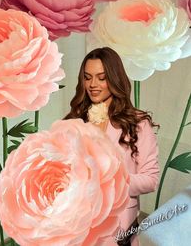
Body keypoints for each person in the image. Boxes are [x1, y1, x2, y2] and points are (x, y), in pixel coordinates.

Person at [64, 47, 160, 246]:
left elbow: (150, 179)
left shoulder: (137, 123)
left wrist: (109, 182)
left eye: (101, 77)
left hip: (118, 228)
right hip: (78, 222)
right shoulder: (74, 120)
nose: (93, 85)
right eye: (87, 77)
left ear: (115, 79)